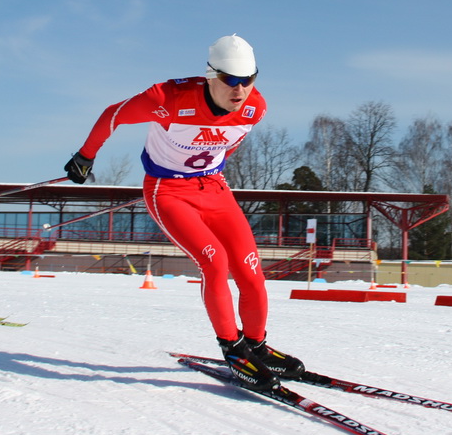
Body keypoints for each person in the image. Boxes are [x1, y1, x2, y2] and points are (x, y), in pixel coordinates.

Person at [63, 35, 304, 390]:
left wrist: (210, 169)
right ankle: (234, 351)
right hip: (169, 192)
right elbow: (113, 115)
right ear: (211, 75)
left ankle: (256, 346)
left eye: (248, 79)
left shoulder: (256, 108)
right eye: (230, 80)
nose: (240, 90)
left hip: (213, 188)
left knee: (251, 270)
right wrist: (85, 156)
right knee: (215, 262)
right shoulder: (167, 99)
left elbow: (226, 145)